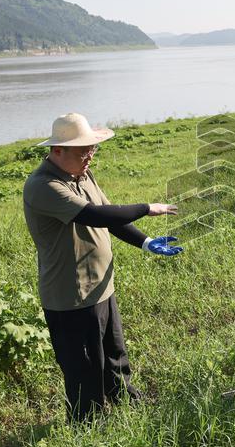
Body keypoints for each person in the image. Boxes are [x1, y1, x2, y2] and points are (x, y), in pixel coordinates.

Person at [22, 113, 181, 422]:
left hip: (101, 287)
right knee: (84, 370)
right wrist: (147, 208)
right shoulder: (44, 186)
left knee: (114, 357)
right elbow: (95, 216)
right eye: (83, 151)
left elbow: (111, 218)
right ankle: (87, 430)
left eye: (92, 150)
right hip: (72, 295)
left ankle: (128, 410)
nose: (89, 156)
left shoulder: (84, 175)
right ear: (57, 151)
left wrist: (147, 242)